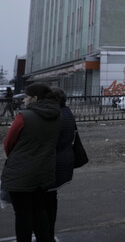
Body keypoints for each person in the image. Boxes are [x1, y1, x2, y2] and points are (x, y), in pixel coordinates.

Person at [2, 83, 61, 242]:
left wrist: (17, 159)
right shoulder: (57, 115)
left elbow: (8, 143)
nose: (24, 101)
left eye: (26, 97)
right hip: (44, 172)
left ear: (35, 98)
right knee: (38, 210)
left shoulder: (24, 116)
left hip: (20, 173)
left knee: (22, 214)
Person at [46, 87, 78, 240]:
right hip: (63, 162)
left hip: (50, 164)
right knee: (51, 199)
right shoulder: (67, 112)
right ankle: (48, 233)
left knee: (42, 202)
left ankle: (45, 234)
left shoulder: (54, 115)